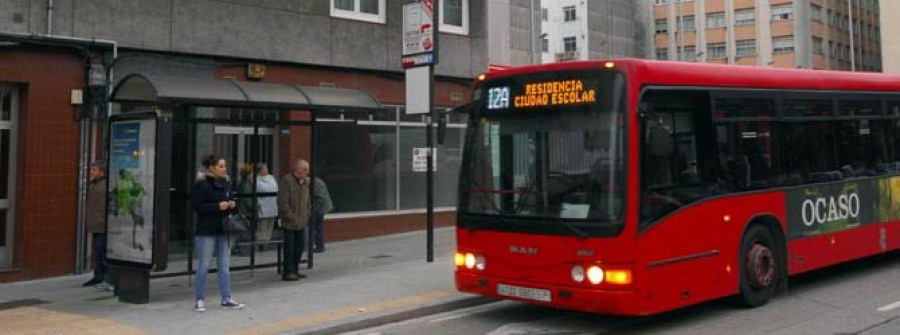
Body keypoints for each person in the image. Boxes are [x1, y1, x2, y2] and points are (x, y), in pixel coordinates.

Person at [192, 154, 245, 312]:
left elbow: (231, 202)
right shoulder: (201, 184)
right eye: (221, 166)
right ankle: (199, 300)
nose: (224, 169)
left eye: (225, 166)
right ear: (211, 168)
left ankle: (226, 298)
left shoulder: (226, 182)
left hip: (224, 229)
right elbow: (197, 207)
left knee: (224, 266)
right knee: (204, 265)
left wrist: (232, 205)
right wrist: (217, 207)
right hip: (206, 230)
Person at [278, 159, 312, 281]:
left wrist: (307, 213)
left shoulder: (306, 182)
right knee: (289, 248)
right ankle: (288, 271)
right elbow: (283, 201)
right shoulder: (287, 181)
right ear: (297, 169)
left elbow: (307, 200)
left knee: (300, 247)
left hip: (301, 220)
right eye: (305, 169)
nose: (307, 172)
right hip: (290, 222)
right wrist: (289, 215)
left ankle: (295, 270)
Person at [83, 161, 113, 289]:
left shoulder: (106, 185)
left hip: (102, 225)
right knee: (98, 251)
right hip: (96, 224)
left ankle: (105, 277)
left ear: (102, 172)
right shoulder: (94, 184)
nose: (92, 172)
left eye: (94, 170)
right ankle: (98, 276)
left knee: (102, 251)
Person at [255, 163, 278, 251]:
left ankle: (267, 242)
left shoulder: (271, 178)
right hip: (263, 205)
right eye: (264, 169)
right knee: (262, 226)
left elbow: (275, 188)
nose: (266, 170)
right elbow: (261, 190)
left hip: (272, 205)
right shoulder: (257, 179)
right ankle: (261, 243)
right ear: (260, 170)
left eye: (267, 168)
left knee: (270, 225)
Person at [233, 166, 254, 256]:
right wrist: (255, 207)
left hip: (243, 211)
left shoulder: (243, 184)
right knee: (245, 231)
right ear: (248, 175)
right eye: (251, 174)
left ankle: (242, 249)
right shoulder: (246, 185)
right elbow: (248, 201)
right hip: (246, 212)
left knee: (242, 232)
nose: (253, 176)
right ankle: (244, 251)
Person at [312, 176, 333, 253]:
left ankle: (320, 246)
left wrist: (313, 210)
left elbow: (320, 199)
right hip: (322, 207)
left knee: (317, 227)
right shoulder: (318, 181)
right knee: (318, 227)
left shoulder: (315, 183)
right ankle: (320, 245)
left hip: (319, 208)